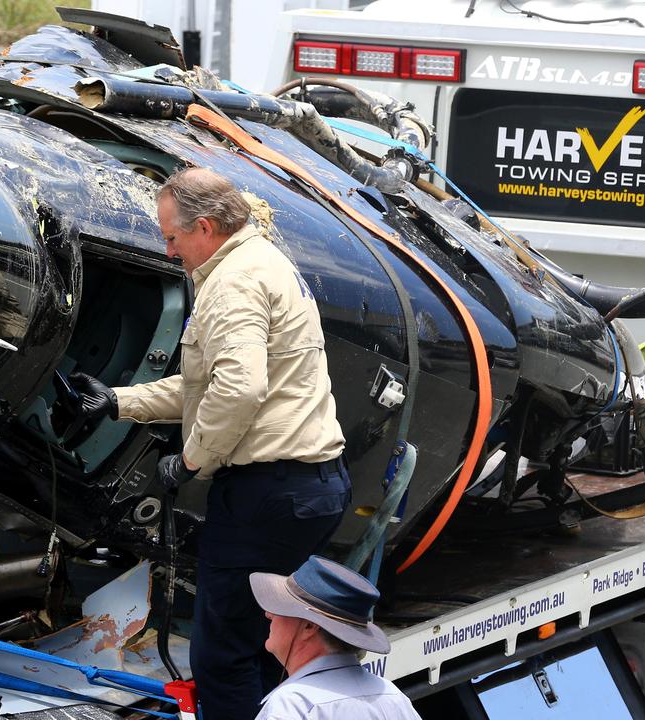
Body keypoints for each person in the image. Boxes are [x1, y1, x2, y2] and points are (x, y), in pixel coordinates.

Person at [69, 167, 349, 719]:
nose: (168, 252)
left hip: (266, 494)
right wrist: (120, 402)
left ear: (204, 227)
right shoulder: (260, 261)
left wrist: (192, 459)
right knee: (273, 644)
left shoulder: (233, 283)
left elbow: (239, 389)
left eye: (171, 238)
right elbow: (209, 385)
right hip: (310, 488)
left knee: (222, 654)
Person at [250, 556, 420, 719]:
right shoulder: (392, 696)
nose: (269, 614)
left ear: (309, 626)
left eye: (281, 606)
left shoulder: (291, 706)